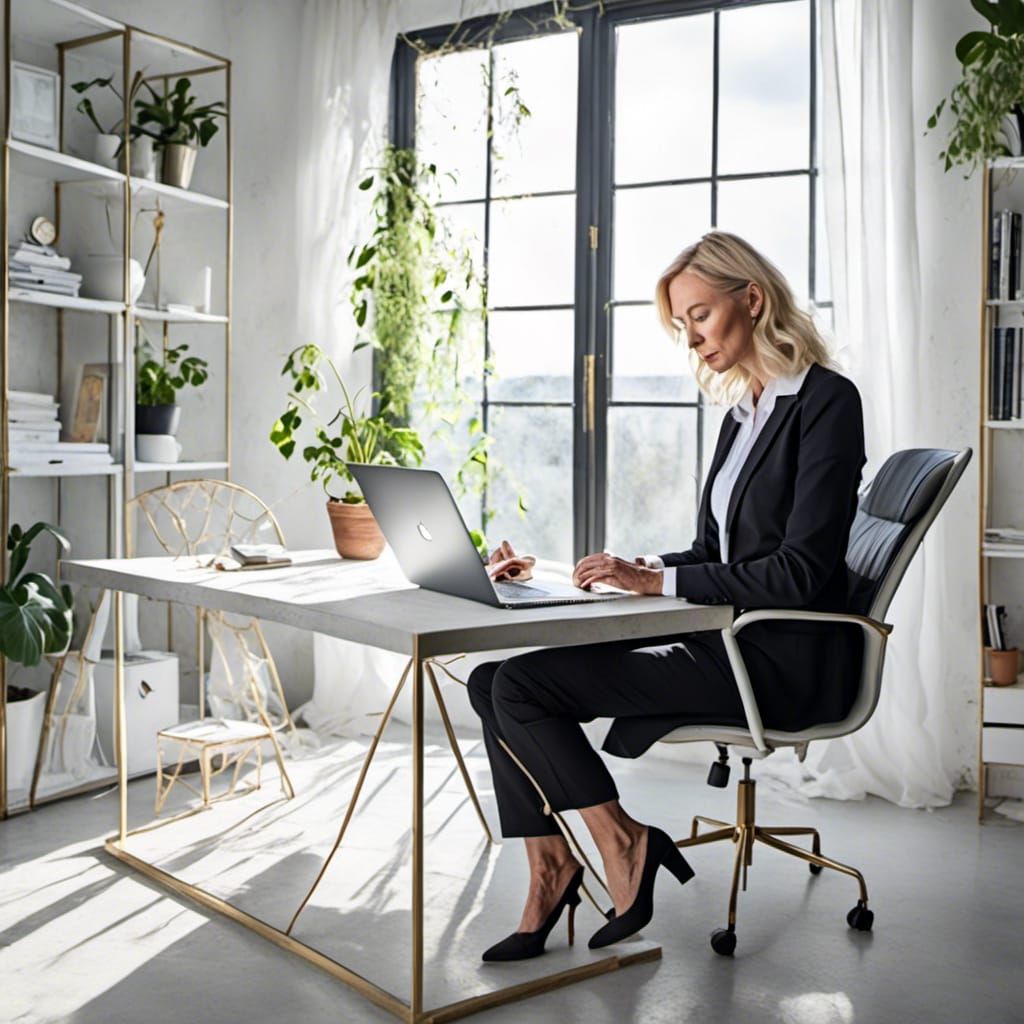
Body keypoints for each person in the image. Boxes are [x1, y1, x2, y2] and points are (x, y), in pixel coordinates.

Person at [467, 230, 866, 962]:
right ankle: (551, 865)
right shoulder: (744, 413)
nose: (692, 339)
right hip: (727, 638)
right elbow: (715, 553)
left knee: (518, 686)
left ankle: (621, 843)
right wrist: (633, 568)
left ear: (753, 299)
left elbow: (800, 572)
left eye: (700, 316)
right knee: (490, 681)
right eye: (682, 325)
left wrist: (658, 584)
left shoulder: (826, 402)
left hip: (778, 661)